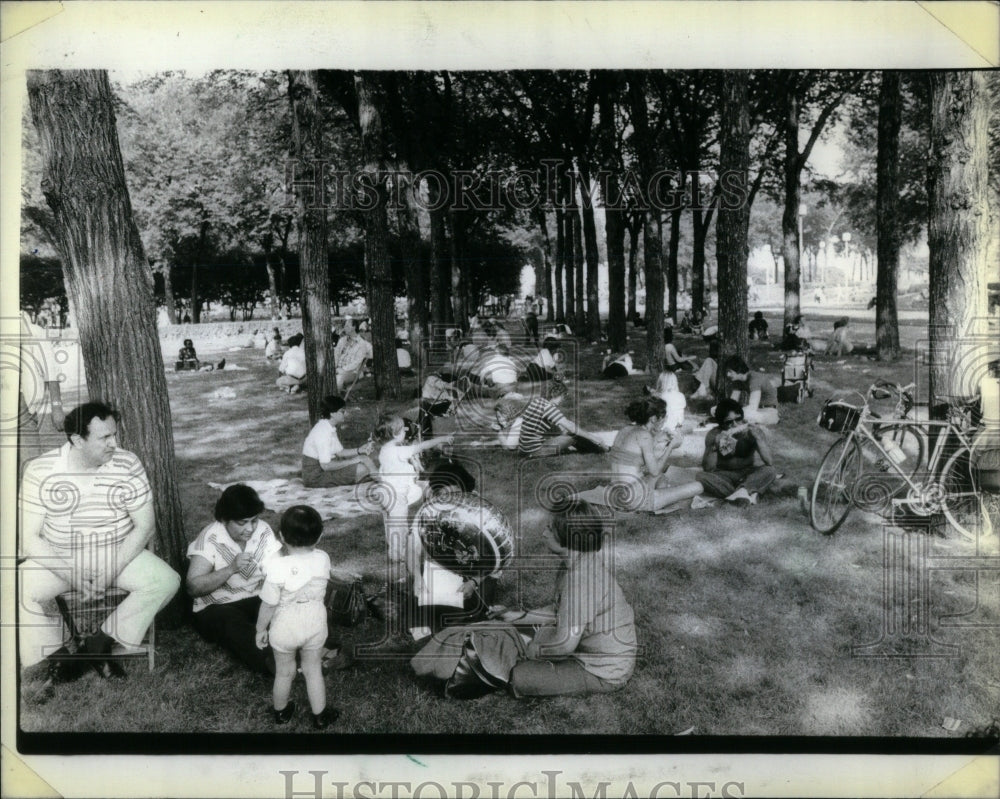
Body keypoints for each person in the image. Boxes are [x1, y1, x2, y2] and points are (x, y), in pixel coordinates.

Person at [18, 402, 181, 681]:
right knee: (11, 588)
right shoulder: (41, 470)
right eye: (104, 437)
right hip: (63, 556)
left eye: (114, 434)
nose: (114, 444)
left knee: (167, 580)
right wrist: (70, 573)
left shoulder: (127, 463)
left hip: (117, 552)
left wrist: (109, 573)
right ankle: (62, 659)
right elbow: (29, 537)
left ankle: (96, 646)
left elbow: (145, 526)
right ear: (77, 440)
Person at [500, 500, 637, 697]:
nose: (543, 533)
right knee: (523, 634)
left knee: (518, 677)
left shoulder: (581, 580)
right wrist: (519, 616)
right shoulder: (575, 563)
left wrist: (533, 651)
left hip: (603, 670)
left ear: (568, 537)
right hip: (585, 647)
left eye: (549, 529)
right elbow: (559, 610)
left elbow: (564, 645)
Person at [255, 505, 339, 729]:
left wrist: (261, 629)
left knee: (284, 672)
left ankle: (281, 712)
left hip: (285, 626)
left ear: (281, 536)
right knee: (313, 670)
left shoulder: (276, 566)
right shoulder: (323, 558)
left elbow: (269, 604)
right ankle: (320, 715)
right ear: (320, 536)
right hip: (315, 623)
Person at [186, 484, 284, 675]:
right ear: (225, 519)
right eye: (242, 523)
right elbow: (193, 587)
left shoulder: (262, 530)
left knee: (283, 606)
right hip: (217, 605)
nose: (250, 528)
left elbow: (278, 569)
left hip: (256, 596)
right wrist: (230, 569)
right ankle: (269, 661)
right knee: (232, 624)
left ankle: (319, 649)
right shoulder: (210, 536)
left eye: (254, 520)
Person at [374, 415, 454, 581]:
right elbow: (422, 445)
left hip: (385, 492)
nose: (405, 430)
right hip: (397, 495)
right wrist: (442, 438)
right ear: (395, 434)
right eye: (403, 428)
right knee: (399, 524)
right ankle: (398, 554)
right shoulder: (399, 451)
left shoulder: (384, 450)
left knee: (390, 522)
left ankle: (394, 550)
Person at [605, 396, 703, 512]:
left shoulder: (625, 430)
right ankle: (659, 498)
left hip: (614, 495)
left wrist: (656, 438)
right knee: (698, 486)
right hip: (634, 498)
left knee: (661, 478)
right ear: (653, 419)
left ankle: (661, 496)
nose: (664, 421)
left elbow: (634, 457)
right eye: (663, 418)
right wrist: (671, 446)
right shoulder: (645, 436)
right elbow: (654, 471)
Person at [696, 399, 778, 505]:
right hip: (724, 476)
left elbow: (769, 462)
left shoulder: (751, 432)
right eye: (729, 422)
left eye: (738, 419)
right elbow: (708, 468)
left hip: (747, 473)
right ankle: (745, 492)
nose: (735, 425)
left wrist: (759, 439)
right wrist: (715, 446)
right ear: (721, 423)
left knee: (770, 471)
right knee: (701, 476)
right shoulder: (714, 434)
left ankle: (737, 493)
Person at [500, 382, 608, 458]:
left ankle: (597, 448)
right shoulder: (548, 407)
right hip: (534, 451)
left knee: (567, 433)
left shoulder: (537, 401)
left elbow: (563, 425)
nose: (562, 400)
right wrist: (593, 437)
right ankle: (602, 449)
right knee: (573, 437)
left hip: (523, 450)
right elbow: (570, 427)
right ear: (555, 395)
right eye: (562, 397)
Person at [301, 395, 377, 487]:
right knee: (363, 469)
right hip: (315, 476)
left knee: (366, 466)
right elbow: (326, 466)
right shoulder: (322, 432)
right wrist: (356, 459)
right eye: (342, 411)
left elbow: (339, 452)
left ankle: (374, 477)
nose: (345, 414)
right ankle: (378, 478)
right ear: (332, 413)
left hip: (324, 470)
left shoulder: (329, 427)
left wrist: (360, 450)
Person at [723, 355, 778, 424]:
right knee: (716, 410)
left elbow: (752, 407)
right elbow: (732, 403)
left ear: (738, 369)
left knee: (747, 414)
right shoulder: (738, 381)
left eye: (730, 371)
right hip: (757, 410)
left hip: (768, 412)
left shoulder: (755, 378)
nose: (727, 375)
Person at [334, 324, 373, 392]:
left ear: (353, 327)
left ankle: (335, 399)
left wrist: (342, 369)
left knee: (338, 378)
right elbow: (336, 354)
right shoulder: (342, 340)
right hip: (337, 369)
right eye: (345, 326)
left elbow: (356, 362)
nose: (344, 328)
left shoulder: (362, 343)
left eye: (347, 326)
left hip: (351, 372)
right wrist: (334, 367)